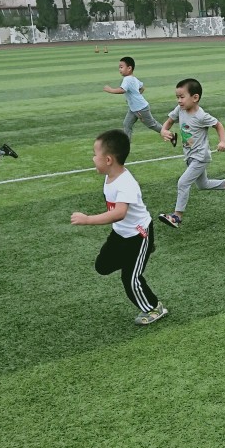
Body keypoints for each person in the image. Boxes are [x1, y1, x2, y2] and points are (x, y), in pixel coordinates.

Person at [71, 130, 166, 325]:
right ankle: (141, 254)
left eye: (95, 155)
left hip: (139, 234)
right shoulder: (110, 176)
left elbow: (119, 213)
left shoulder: (126, 183)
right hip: (120, 233)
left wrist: (87, 219)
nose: (92, 158)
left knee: (130, 279)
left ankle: (154, 307)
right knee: (102, 266)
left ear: (108, 160)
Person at [156, 78, 225, 228]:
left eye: (182, 97)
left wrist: (223, 142)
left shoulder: (201, 116)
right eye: (177, 97)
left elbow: (218, 125)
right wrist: (163, 130)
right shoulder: (180, 109)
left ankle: (177, 216)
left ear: (195, 97)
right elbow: (169, 121)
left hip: (200, 157)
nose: (179, 100)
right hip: (189, 156)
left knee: (183, 182)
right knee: (203, 184)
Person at [103, 56, 162, 140]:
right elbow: (142, 88)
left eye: (121, 67)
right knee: (127, 124)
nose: (119, 69)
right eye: (119, 67)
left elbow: (122, 90)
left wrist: (110, 90)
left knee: (152, 125)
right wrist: (134, 97)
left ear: (129, 68)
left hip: (140, 108)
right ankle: (126, 144)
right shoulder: (133, 78)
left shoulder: (127, 79)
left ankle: (170, 135)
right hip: (134, 108)